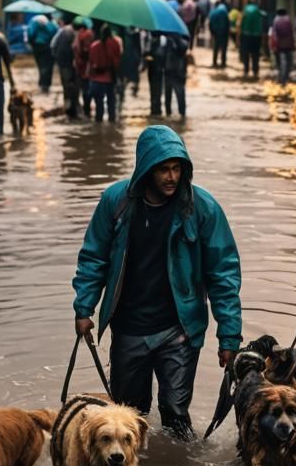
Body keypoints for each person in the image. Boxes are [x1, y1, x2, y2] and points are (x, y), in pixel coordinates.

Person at [72, 125, 243, 441]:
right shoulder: (116, 202)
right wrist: (84, 308)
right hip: (128, 327)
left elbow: (223, 274)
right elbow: (94, 257)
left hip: (179, 329)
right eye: (164, 169)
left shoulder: (202, 208)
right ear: (146, 169)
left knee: (176, 416)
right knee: (127, 417)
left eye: (177, 168)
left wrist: (229, 336)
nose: (171, 177)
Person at [87, 23, 122, 123]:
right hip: (110, 79)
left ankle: (98, 123)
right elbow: (117, 61)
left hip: (96, 79)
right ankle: (112, 123)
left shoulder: (94, 46)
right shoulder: (115, 43)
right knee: (111, 103)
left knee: (99, 104)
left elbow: (91, 62)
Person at [52, 14, 79, 118]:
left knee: (66, 85)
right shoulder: (74, 33)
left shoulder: (62, 31)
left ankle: (68, 106)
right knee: (72, 85)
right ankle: (72, 109)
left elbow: (53, 45)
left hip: (63, 63)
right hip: (70, 63)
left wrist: (57, 60)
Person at [27, 11, 58, 93]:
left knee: (40, 65)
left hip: (37, 46)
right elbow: (55, 34)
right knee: (48, 66)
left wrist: (31, 43)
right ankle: (46, 84)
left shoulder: (35, 22)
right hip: (48, 47)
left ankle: (42, 83)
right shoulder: (52, 24)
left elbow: (30, 33)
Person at [163, 33, 190, 117]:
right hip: (171, 70)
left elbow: (183, 48)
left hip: (177, 71)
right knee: (169, 93)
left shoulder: (179, 40)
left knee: (178, 93)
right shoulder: (167, 39)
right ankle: (169, 112)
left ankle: (180, 113)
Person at [73, 17, 95, 116]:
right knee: (86, 89)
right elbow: (86, 50)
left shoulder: (80, 35)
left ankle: (86, 109)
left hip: (81, 66)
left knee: (84, 88)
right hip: (85, 67)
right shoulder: (87, 34)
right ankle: (87, 109)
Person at [239, 2, 265, 78]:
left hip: (246, 35)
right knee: (255, 55)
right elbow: (262, 21)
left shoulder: (245, 10)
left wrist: (239, 36)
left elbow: (240, 23)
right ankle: (255, 72)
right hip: (256, 36)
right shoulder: (258, 11)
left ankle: (246, 71)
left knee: (246, 54)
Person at [269, 8, 295, 84]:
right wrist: (292, 44)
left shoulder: (276, 20)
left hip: (278, 44)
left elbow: (274, 34)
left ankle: (280, 77)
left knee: (279, 62)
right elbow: (291, 33)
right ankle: (286, 77)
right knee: (288, 61)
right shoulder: (288, 20)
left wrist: (273, 45)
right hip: (288, 43)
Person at [142, 30, 165, 115]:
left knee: (156, 90)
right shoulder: (151, 41)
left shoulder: (161, 43)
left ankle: (156, 109)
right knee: (154, 90)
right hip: (154, 70)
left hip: (157, 70)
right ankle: (154, 108)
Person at [118, 26, 142, 104]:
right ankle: (124, 93)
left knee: (125, 77)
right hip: (129, 57)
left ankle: (123, 94)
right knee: (128, 77)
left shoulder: (123, 31)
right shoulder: (135, 33)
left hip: (127, 57)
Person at [208, 0, 230, 68]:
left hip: (216, 32)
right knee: (223, 48)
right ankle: (223, 63)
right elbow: (228, 22)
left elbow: (210, 23)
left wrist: (212, 32)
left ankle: (214, 62)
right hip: (224, 32)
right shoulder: (224, 10)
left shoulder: (213, 11)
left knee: (216, 48)